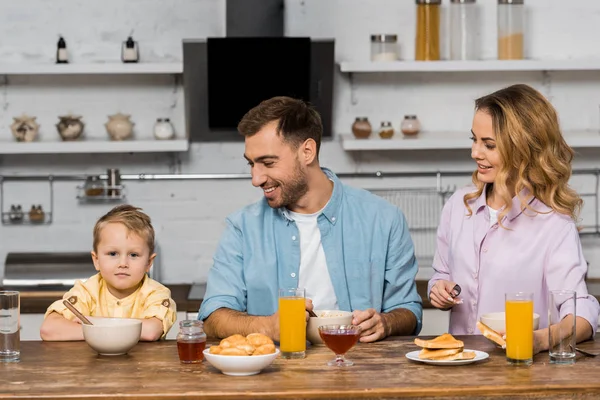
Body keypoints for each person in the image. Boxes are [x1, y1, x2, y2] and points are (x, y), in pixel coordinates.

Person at [198, 96, 422, 343]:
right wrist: (267, 327)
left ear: (307, 151)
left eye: (268, 163)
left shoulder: (384, 219)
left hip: (359, 372)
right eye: (251, 164)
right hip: (272, 376)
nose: (256, 178)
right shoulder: (242, 228)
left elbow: (409, 310)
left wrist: (386, 323)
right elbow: (212, 317)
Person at [428, 84, 600, 352]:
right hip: (459, 367)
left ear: (523, 150)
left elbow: (581, 312)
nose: (475, 153)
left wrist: (541, 340)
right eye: (474, 140)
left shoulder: (554, 225)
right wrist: (439, 289)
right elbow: (441, 274)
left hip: (519, 370)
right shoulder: (457, 207)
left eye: (489, 145)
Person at [40, 204, 177, 341]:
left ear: (148, 263)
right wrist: (106, 331)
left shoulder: (157, 293)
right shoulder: (86, 291)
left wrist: (95, 324)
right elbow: (49, 329)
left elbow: (151, 331)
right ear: (96, 260)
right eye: (113, 253)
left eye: (134, 255)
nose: (123, 263)